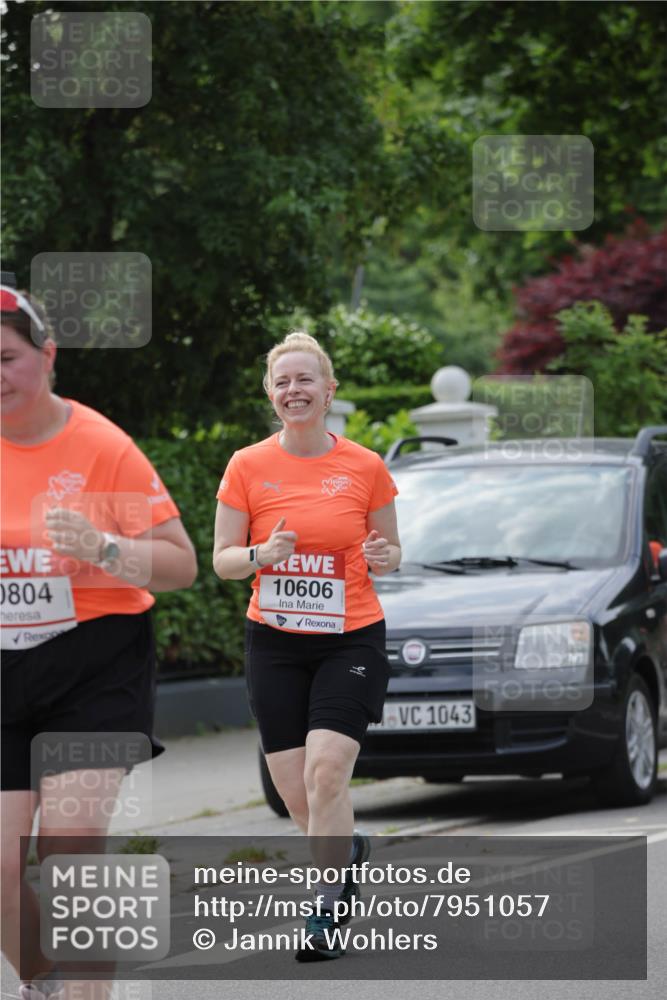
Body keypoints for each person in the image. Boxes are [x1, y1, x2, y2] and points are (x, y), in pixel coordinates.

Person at [0, 285, 197, 999]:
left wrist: (106, 547)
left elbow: (180, 564)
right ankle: (45, 981)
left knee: (71, 849)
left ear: (48, 356)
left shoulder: (99, 447)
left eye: (6, 358)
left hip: (95, 661)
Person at [213, 331, 401, 961]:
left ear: (329, 391)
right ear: (271, 393)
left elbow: (393, 552)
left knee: (326, 771)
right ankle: (347, 852)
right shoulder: (246, 465)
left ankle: (323, 912)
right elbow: (223, 562)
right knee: (296, 793)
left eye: (305, 380)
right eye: (283, 382)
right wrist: (259, 555)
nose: (294, 391)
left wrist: (383, 554)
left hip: (350, 635)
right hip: (274, 641)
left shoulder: (365, 466)